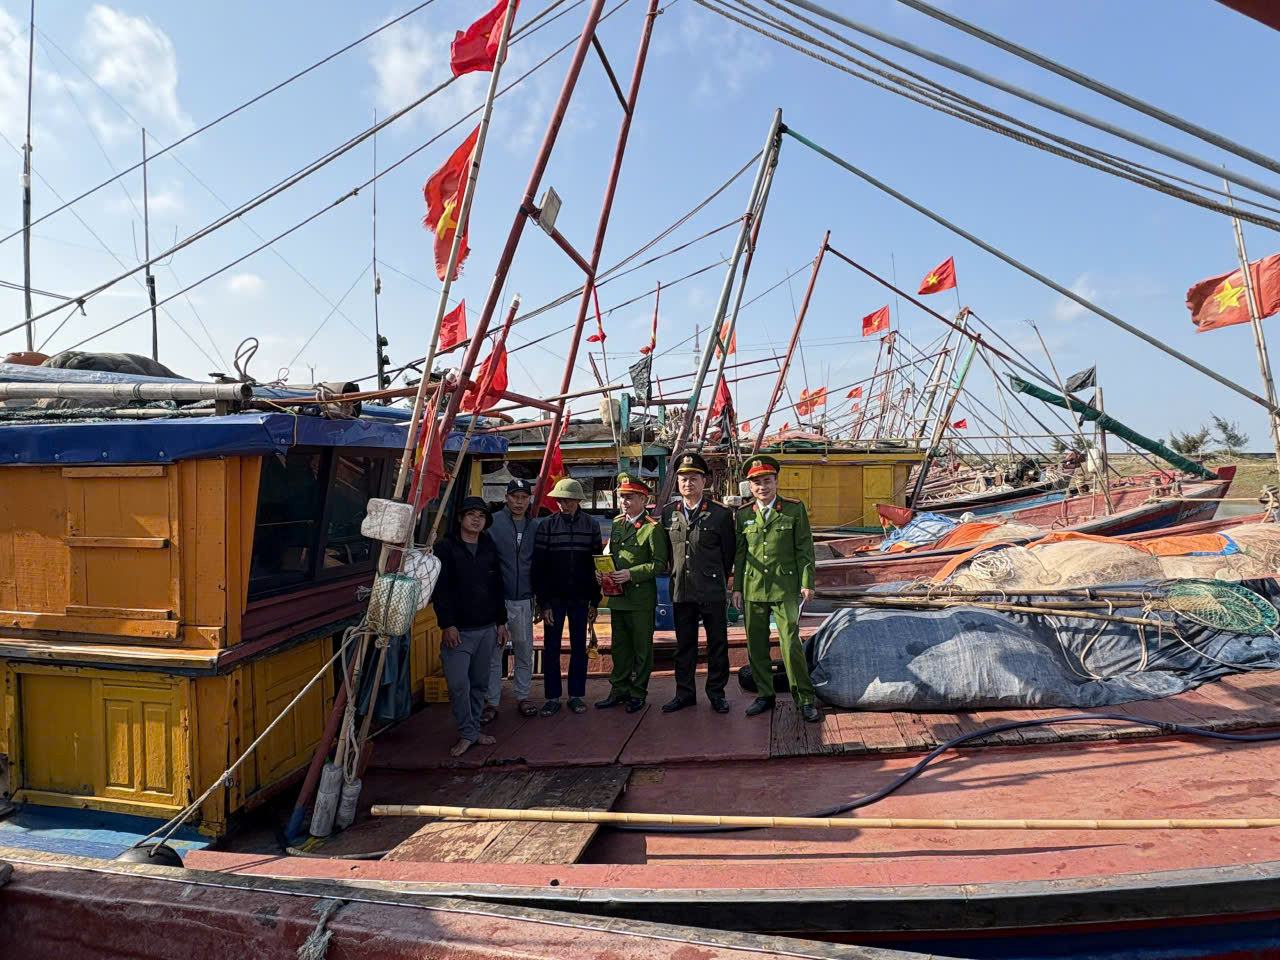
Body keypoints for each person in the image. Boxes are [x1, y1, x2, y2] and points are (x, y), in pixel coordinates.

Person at [731, 454, 821, 723]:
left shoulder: (793, 509)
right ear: (750, 486)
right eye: (757, 483)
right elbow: (740, 554)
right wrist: (737, 588)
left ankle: (804, 698)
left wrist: (807, 582)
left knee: (790, 643)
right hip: (753, 587)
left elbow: (804, 549)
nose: (763, 487)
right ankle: (765, 695)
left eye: (767, 481)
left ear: (776, 482)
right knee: (756, 644)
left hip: (784, 587)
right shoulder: (743, 514)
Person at [431, 497, 509, 756]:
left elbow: (498, 586)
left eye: (481, 516)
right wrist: (447, 624)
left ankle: (472, 731)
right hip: (459, 630)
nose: (476, 519)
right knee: (457, 684)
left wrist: (501, 622)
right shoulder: (445, 547)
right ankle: (467, 731)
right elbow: (441, 590)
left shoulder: (488, 546)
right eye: (471, 514)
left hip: (487, 627)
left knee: (479, 683)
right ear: (460, 518)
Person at [659, 452, 735, 714]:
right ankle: (684, 694)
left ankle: (716, 693)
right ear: (677, 483)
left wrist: (718, 577)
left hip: (711, 589)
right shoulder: (669, 513)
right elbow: (667, 554)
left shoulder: (720, 514)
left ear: (704, 482)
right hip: (682, 589)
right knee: (684, 646)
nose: (688, 483)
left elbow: (728, 553)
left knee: (717, 644)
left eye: (693, 478)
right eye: (683, 479)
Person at [597, 473, 669, 713]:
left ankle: (638, 692)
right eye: (622, 497)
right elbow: (610, 556)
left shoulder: (652, 528)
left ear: (643, 499)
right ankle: (619, 689)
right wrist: (603, 572)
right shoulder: (618, 524)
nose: (624, 502)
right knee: (620, 648)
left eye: (629, 497)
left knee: (641, 649)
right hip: (618, 598)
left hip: (640, 600)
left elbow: (660, 563)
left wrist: (631, 574)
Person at [532, 477, 603, 717]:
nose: (565, 504)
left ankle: (576, 695)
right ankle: (552, 697)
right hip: (554, 599)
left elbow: (597, 566)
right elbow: (539, 567)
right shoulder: (546, 526)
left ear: (578, 501)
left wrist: (595, 601)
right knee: (551, 648)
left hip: (581, 598)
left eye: (570, 500)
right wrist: (543, 603)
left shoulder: (591, 525)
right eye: (561, 500)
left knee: (579, 647)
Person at [485, 478, 541, 721]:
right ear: (506, 498)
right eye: (514, 497)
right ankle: (492, 701)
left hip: (525, 599)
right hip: (497, 599)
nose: (519, 502)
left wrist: (540, 598)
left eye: (523, 497)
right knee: (494, 652)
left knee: (524, 650)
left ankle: (522, 696)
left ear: (529, 500)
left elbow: (540, 563)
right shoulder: (492, 523)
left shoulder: (535, 526)